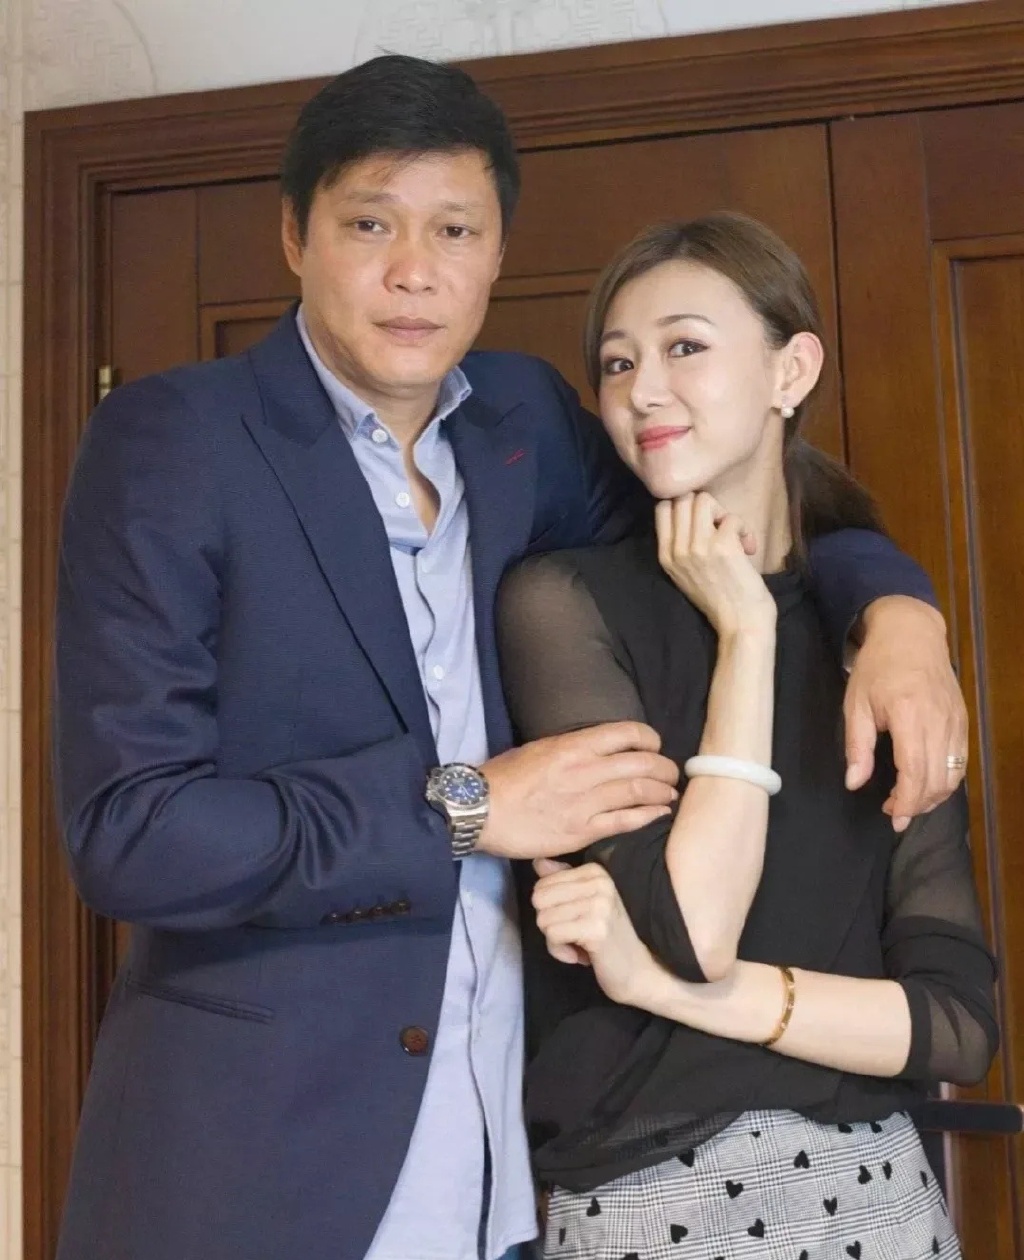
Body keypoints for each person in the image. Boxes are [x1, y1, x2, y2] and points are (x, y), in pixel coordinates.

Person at [53, 54, 965, 1260]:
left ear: (496, 252)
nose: (414, 270)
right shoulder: (177, 440)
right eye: (368, 223)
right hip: (259, 1169)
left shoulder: (521, 424)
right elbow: (131, 831)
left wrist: (899, 612)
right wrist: (466, 806)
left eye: (455, 229)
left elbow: (740, 513)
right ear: (294, 237)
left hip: (502, 1176)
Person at [497, 212, 997, 1260]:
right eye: (617, 363)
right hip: (652, 1204)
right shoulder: (565, 605)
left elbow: (956, 1024)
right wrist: (747, 635)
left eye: (684, 346)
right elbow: (693, 925)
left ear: (790, 370)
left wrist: (672, 991)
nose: (642, 390)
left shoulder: (878, 641)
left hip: (883, 1202)